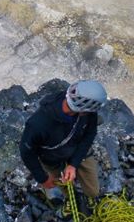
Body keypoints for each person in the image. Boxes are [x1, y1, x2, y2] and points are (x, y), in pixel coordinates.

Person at [19, 80, 107, 211]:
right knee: (61, 184)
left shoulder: (88, 113)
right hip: (50, 157)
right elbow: (26, 151)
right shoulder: (38, 124)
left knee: (93, 191)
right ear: (83, 110)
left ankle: (88, 196)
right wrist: (42, 178)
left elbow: (89, 134)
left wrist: (74, 164)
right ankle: (70, 197)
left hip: (77, 149)